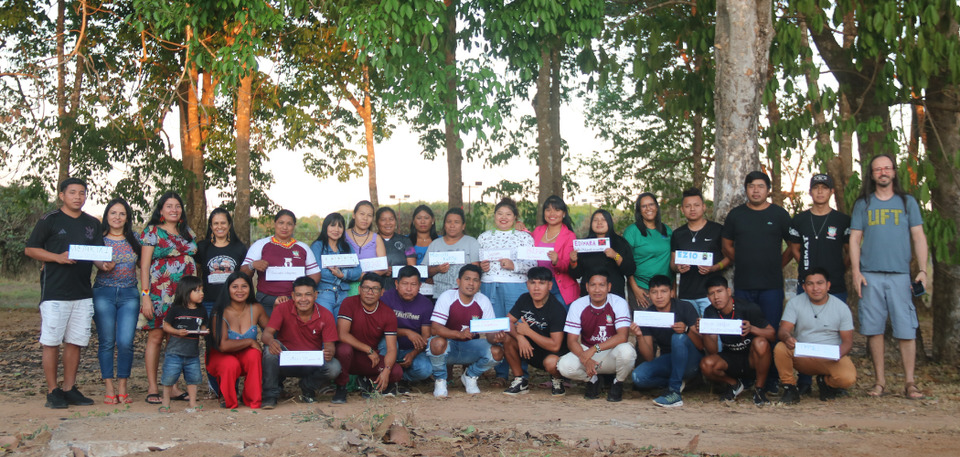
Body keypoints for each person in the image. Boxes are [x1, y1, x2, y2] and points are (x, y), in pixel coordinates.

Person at [850, 153, 928, 399]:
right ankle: (879, 383)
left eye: (887, 168)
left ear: (894, 172)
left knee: (906, 329)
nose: (883, 172)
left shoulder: (907, 202)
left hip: (900, 275)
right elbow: (854, 239)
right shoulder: (863, 204)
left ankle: (910, 383)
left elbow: (918, 236)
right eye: (877, 169)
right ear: (872, 175)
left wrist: (923, 270)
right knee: (874, 329)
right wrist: (856, 272)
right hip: (870, 275)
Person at [25, 177, 103, 409]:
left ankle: (69, 388)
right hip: (55, 292)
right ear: (62, 195)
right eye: (72, 192)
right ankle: (53, 391)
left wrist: (104, 264)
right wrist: (56, 258)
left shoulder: (92, 223)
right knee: (51, 342)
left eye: (82, 193)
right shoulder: (50, 219)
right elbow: (31, 249)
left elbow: (97, 253)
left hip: (82, 292)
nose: (78, 197)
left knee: (75, 342)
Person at [721, 171, 791, 393]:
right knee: (744, 332)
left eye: (760, 186)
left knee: (770, 331)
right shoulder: (736, 215)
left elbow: (793, 246)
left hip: (771, 286)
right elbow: (726, 245)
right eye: (751, 186)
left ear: (768, 190)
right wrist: (742, 260)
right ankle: (748, 376)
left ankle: (771, 379)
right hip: (744, 284)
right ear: (746, 190)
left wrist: (777, 264)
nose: (756, 190)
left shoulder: (779, 215)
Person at [139, 191, 197, 405]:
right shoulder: (152, 232)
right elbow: (144, 266)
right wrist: (145, 296)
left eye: (177, 206)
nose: (174, 209)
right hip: (159, 292)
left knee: (176, 338)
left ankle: (172, 386)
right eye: (169, 206)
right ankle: (153, 387)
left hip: (183, 295)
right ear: (161, 210)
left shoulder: (187, 232)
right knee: (156, 336)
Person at [775, 268, 856, 404]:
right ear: (804, 287)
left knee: (848, 378)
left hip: (830, 356)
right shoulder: (795, 303)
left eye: (820, 283)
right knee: (781, 348)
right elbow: (783, 330)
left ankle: (826, 383)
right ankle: (790, 388)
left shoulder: (841, 308)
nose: (815, 288)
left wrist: (838, 354)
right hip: (803, 354)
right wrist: (787, 338)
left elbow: (848, 342)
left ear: (828, 285)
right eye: (810, 284)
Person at [478, 198, 536, 383]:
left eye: (508, 214)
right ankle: (501, 374)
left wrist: (514, 265)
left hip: (515, 286)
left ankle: (522, 373)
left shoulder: (524, 237)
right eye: (500, 214)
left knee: (518, 328)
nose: (503, 217)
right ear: (494, 216)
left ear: (515, 217)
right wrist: (481, 267)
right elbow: (477, 263)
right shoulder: (484, 237)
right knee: (497, 329)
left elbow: (533, 264)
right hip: (490, 285)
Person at [261, 276, 341, 409]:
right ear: (292, 296)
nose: (303, 299)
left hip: (311, 361)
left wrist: (329, 352)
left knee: (334, 367)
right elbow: (266, 334)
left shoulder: (325, 314)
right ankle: (270, 395)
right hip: (286, 358)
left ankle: (307, 387)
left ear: (315, 295)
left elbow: (330, 346)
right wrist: (271, 341)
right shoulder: (283, 308)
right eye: (299, 295)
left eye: (308, 294)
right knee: (270, 350)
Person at [557, 272, 636, 402]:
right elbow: (571, 341)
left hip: (611, 352)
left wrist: (594, 349)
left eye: (601, 285)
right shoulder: (578, 305)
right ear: (587, 287)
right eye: (593, 285)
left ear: (609, 287)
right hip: (588, 353)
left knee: (627, 352)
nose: (597, 290)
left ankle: (618, 383)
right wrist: (585, 359)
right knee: (564, 366)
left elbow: (622, 337)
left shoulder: (618, 303)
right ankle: (592, 380)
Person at [91, 197, 141, 405]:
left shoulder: (135, 239)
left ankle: (123, 387)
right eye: (113, 213)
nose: (117, 217)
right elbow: (92, 259)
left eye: (122, 214)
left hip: (129, 294)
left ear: (127, 218)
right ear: (107, 216)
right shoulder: (98, 238)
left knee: (125, 342)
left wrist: (146, 292)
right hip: (104, 293)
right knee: (107, 341)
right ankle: (109, 388)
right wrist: (102, 265)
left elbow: (144, 265)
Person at [428, 265, 504, 397]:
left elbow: (490, 333)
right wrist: (459, 334)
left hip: (469, 347)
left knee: (497, 351)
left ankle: (470, 375)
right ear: (458, 281)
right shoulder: (447, 296)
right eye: (467, 279)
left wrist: (496, 337)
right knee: (437, 343)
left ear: (480, 284)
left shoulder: (483, 300)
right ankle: (440, 379)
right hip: (449, 346)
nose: (471, 283)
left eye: (475, 280)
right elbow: (435, 328)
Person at [699, 276, 776, 405]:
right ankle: (734, 384)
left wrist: (752, 329)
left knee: (761, 343)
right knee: (706, 365)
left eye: (719, 291)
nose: (716, 297)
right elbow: (713, 350)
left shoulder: (748, 308)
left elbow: (772, 335)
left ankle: (759, 389)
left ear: (728, 291)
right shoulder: (710, 312)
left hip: (752, 357)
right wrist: (705, 330)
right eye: (712, 294)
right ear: (708, 297)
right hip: (730, 357)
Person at [629, 275, 703, 408]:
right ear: (649, 295)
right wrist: (639, 336)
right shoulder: (648, 315)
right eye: (654, 292)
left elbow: (701, 345)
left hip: (690, 360)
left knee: (678, 337)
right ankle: (681, 382)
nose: (659, 296)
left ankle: (674, 392)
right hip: (668, 360)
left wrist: (687, 330)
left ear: (672, 292)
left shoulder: (684, 307)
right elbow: (649, 357)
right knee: (638, 377)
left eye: (663, 291)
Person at [332, 273, 403, 403]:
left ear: (382, 292)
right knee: (344, 350)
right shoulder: (349, 303)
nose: (370, 292)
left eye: (375, 289)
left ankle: (366, 381)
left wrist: (387, 370)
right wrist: (368, 349)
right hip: (349, 355)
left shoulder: (387, 313)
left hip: (369, 360)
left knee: (396, 371)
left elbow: (392, 348)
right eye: (366, 288)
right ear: (359, 289)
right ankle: (341, 387)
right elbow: (342, 334)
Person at [501, 267, 568, 396]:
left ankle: (557, 379)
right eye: (533, 283)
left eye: (541, 283)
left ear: (550, 286)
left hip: (553, 354)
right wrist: (520, 337)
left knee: (551, 362)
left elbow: (555, 346)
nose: (536, 288)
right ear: (527, 285)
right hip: (530, 349)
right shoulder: (524, 299)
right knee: (507, 338)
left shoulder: (557, 309)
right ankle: (520, 380)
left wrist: (528, 332)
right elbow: (506, 322)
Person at [206, 271, 269, 409]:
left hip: (244, 355)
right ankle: (229, 399)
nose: (240, 290)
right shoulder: (219, 312)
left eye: (244, 286)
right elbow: (223, 346)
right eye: (235, 287)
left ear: (250, 288)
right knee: (231, 363)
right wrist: (250, 341)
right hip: (221, 355)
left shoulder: (256, 308)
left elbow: (270, 330)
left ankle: (252, 399)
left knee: (254, 354)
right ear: (228, 289)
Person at [241, 209, 321, 316]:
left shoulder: (303, 247)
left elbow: (315, 275)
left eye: (289, 224)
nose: (285, 227)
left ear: (294, 226)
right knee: (271, 327)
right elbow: (243, 273)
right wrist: (253, 265)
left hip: (296, 300)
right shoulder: (261, 244)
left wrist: (302, 288)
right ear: (275, 224)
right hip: (267, 298)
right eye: (281, 223)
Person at [789, 174, 851, 303]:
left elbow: (850, 251)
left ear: (832, 191)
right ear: (810, 192)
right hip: (806, 285)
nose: (820, 191)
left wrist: (840, 269)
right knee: (804, 316)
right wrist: (807, 267)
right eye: (816, 188)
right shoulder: (799, 220)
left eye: (824, 188)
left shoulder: (843, 220)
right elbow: (794, 249)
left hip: (835, 285)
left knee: (835, 316)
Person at [670, 188, 728, 316]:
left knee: (711, 328)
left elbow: (729, 258)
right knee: (689, 328)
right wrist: (678, 268)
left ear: (703, 207)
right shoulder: (678, 234)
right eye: (688, 206)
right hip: (686, 294)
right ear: (682, 210)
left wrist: (714, 268)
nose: (692, 209)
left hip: (711, 294)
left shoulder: (717, 230)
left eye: (696, 205)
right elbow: (672, 263)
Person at [379, 266, 434, 389]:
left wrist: (413, 354)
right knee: (386, 342)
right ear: (397, 284)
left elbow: (426, 336)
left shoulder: (426, 304)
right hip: (389, 347)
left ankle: (400, 377)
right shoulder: (386, 298)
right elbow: (380, 329)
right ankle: (384, 375)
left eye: (413, 284)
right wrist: (406, 332)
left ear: (420, 286)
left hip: (412, 350)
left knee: (425, 369)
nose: (409, 289)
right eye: (404, 284)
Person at [159, 275, 207, 413]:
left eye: (202, 290)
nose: (201, 293)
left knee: (194, 379)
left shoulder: (202, 310)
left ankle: (192, 403)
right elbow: (166, 326)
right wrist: (176, 332)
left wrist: (204, 331)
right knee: (169, 378)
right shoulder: (176, 309)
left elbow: (203, 326)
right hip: (174, 352)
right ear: (186, 292)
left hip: (193, 354)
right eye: (197, 291)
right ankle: (166, 402)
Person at [570, 209, 636, 300]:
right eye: (595, 220)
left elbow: (630, 270)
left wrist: (615, 256)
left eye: (603, 220)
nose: (599, 223)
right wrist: (573, 262)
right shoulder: (584, 244)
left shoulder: (620, 242)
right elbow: (576, 274)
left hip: (614, 295)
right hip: (588, 296)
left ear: (609, 222)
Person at [195, 208, 248, 316]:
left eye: (223, 223)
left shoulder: (239, 248)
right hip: (208, 302)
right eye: (216, 223)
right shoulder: (202, 247)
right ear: (211, 226)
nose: (219, 227)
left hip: (233, 302)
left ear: (229, 225)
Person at [624, 193, 672, 309]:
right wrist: (635, 289)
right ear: (639, 210)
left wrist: (673, 288)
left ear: (656, 207)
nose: (648, 208)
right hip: (642, 289)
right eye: (644, 206)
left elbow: (673, 260)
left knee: (666, 321)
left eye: (651, 204)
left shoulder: (667, 230)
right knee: (644, 321)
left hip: (665, 289)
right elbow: (626, 262)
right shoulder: (632, 231)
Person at [310, 212, 362, 317]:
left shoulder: (347, 247)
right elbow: (317, 272)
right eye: (332, 225)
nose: (336, 229)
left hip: (343, 294)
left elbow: (358, 271)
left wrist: (343, 274)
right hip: (324, 293)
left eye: (340, 226)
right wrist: (341, 275)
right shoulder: (317, 246)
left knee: (342, 325)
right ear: (326, 227)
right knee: (326, 324)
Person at [532, 195, 578, 306]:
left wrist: (557, 261)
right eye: (548, 210)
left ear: (564, 213)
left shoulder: (570, 236)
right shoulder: (537, 231)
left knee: (560, 316)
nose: (552, 214)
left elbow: (568, 265)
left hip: (559, 285)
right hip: (538, 283)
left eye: (557, 210)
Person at [425, 208, 480, 297]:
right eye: (449, 222)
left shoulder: (472, 242)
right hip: (440, 295)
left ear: (463, 226)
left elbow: (476, 270)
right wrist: (437, 269)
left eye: (456, 222)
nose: (452, 225)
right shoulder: (435, 244)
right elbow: (424, 271)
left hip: (466, 296)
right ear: (444, 225)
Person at [345, 200, 388, 294]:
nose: (365, 218)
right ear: (354, 215)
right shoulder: (343, 236)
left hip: (370, 289)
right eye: (362, 214)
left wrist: (363, 277)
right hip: (345, 287)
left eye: (369, 215)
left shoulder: (376, 238)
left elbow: (383, 268)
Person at [376, 206, 416, 290]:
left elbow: (412, 267)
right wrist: (382, 270)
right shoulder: (371, 241)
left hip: (401, 289)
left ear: (396, 221)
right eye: (383, 220)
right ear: (377, 222)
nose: (388, 223)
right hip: (376, 288)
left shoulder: (406, 241)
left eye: (391, 219)